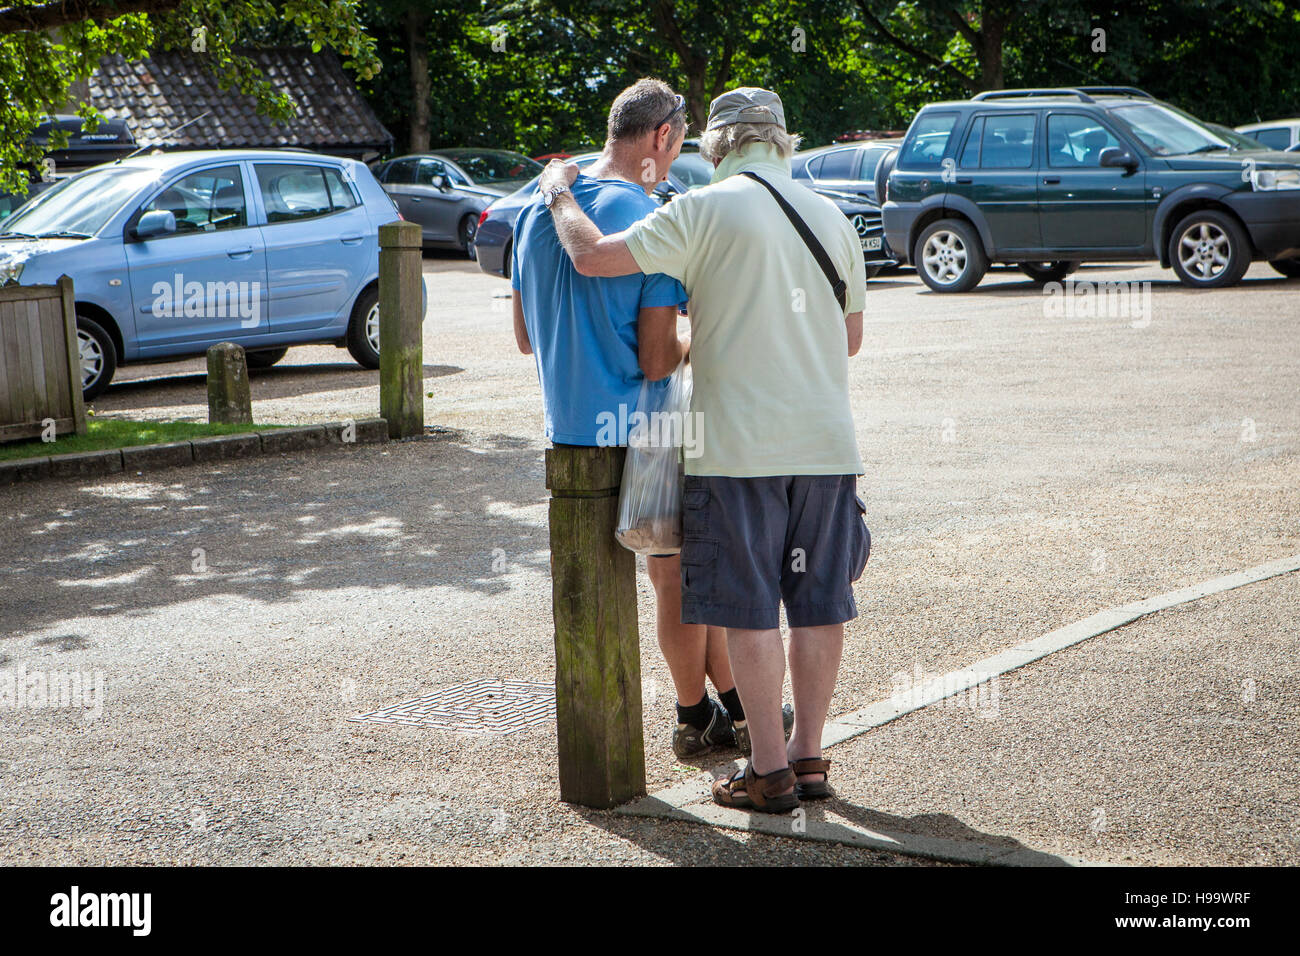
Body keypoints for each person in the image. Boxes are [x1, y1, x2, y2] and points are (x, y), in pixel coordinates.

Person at [535, 87, 869, 814]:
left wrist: (559, 190)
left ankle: (769, 771)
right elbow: (849, 339)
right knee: (817, 607)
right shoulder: (832, 216)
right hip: (827, 444)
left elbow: (590, 257)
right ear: (782, 141)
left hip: (737, 448)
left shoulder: (701, 209)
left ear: (715, 146)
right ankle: (810, 758)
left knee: (748, 610)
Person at [514, 78, 777, 759]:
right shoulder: (655, 219)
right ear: (663, 138)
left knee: (675, 577)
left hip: (568, 430)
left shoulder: (532, 209)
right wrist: (703, 340)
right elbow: (659, 358)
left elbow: (523, 335)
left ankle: (731, 708)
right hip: (649, 426)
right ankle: (695, 715)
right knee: (686, 578)